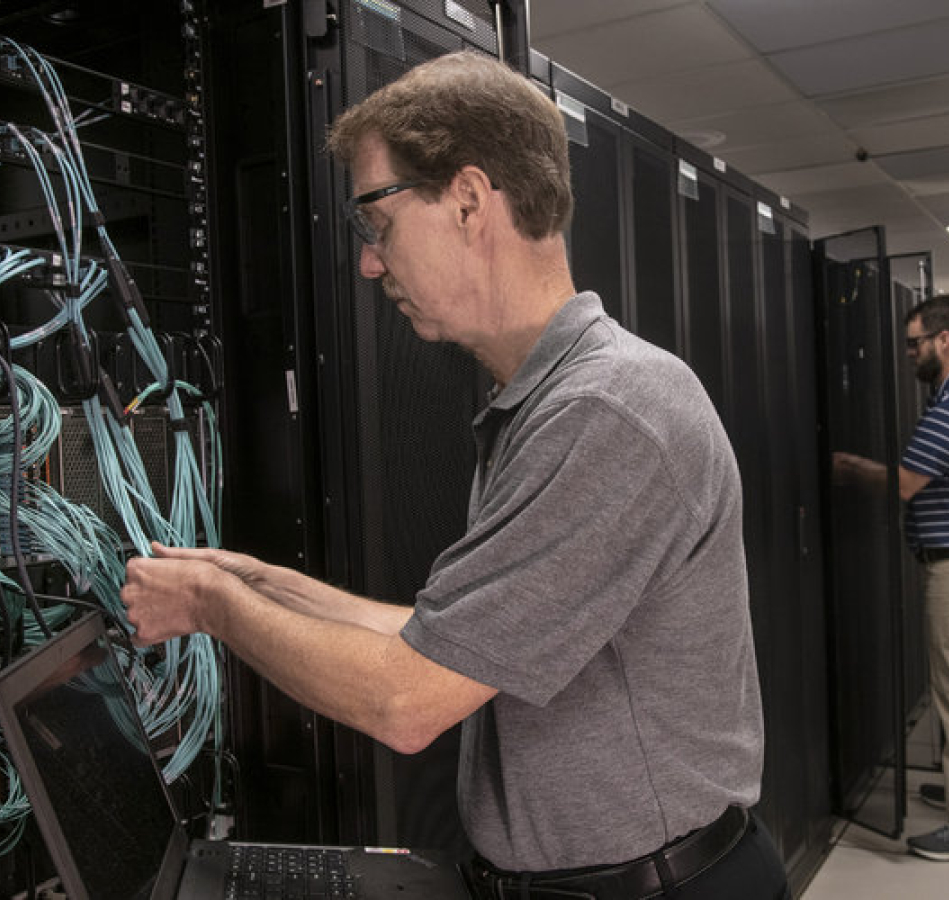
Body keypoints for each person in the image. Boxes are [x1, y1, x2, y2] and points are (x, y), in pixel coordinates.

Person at [121, 51, 790, 900]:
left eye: (377, 221)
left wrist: (213, 608)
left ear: (469, 201)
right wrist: (266, 585)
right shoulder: (548, 402)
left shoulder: (607, 411)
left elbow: (409, 701)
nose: (370, 262)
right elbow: (452, 641)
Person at [833, 294, 949, 862]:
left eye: (915, 342)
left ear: (944, 340)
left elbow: (907, 483)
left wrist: (849, 469)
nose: (909, 353)